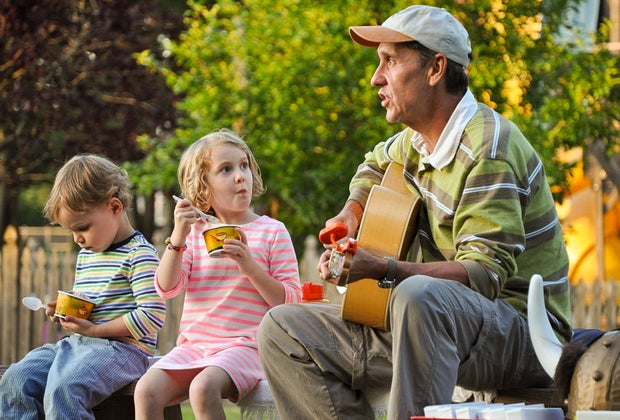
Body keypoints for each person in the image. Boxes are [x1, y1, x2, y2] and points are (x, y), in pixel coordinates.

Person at [257, 5, 572, 419]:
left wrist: (383, 268)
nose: (376, 78)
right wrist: (350, 215)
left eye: (389, 60)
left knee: (417, 295)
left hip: (523, 335)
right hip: (430, 324)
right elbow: (373, 165)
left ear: (436, 68)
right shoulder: (415, 141)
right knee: (281, 329)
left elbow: (482, 276)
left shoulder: (488, 150)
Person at [133, 129, 302, 420]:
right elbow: (166, 288)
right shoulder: (196, 233)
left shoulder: (272, 231)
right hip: (195, 345)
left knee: (203, 388)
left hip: (248, 345)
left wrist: (249, 267)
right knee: (145, 390)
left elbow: (291, 303)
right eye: (226, 169)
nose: (240, 176)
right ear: (203, 187)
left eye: (244, 165)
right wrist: (179, 233)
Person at [0, 154, 166, 419]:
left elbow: (152, 316)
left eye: (83, 227)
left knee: (64, 389)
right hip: (80, 344)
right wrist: (72, 310)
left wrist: (97, 329)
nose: (77, 238)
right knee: (16, 379)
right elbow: (93, 306)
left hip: (125, 350)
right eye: (71, 231)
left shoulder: (140, 254)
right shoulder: (88, 254)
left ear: (114, 207)